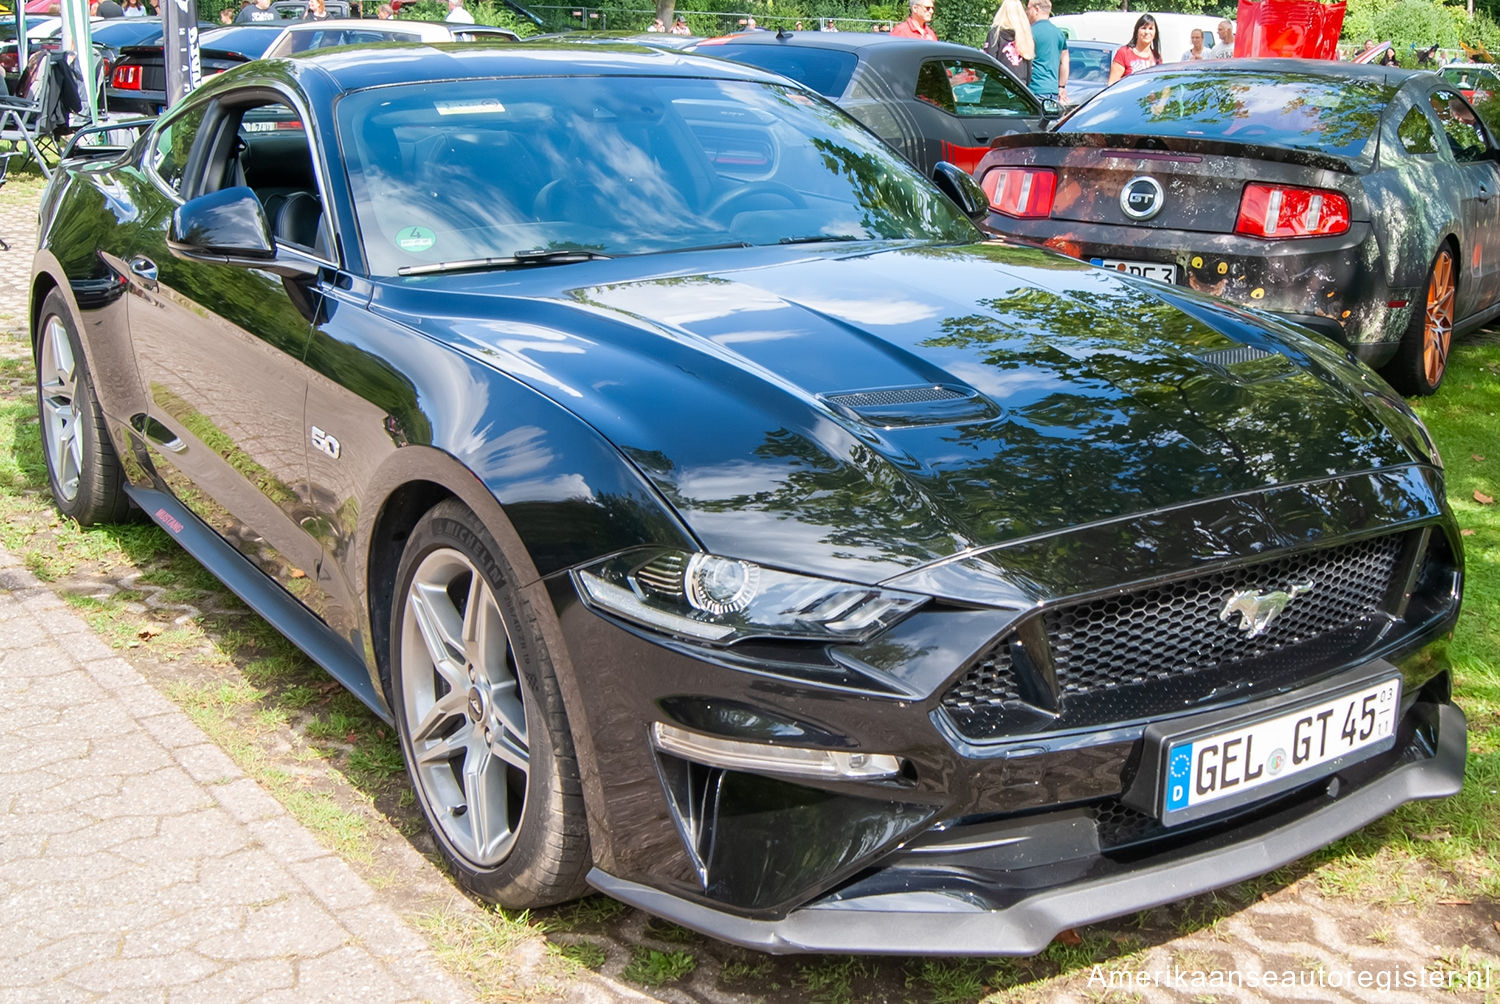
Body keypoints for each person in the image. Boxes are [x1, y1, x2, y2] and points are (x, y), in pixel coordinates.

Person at [1026, 0, 1066, 103]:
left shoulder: (1029, 32)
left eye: (1028, 8)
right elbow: (1064, 61)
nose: (1026, 12)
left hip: (1034, 89)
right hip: (1053, 90)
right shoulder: (1059, 33)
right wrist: (1061, 86)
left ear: (1036, 9)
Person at [984, 0, 1033, 86]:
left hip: (997, 87)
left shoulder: (995, 33)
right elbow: (1029, 69)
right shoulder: (1026, 35)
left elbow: (988, 61)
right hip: (1020, 88)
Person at [1107, 13, 1161, 84]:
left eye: (1151, 28)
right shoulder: (1124, 52)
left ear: (1155, 34)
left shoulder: (1157, 57)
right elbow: (1112, 83)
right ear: (1136, 31)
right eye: (1143, 28)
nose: (1147, 32)